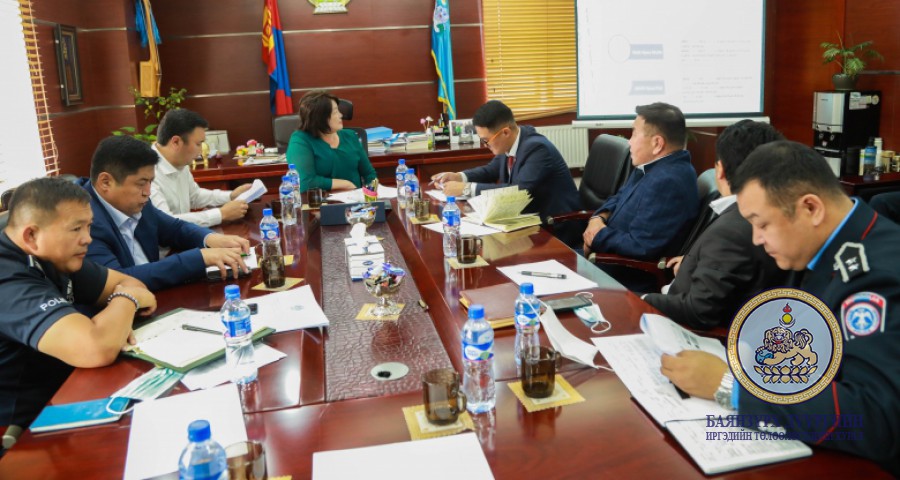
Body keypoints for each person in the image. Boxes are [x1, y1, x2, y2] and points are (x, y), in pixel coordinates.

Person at [661, 141, 900, 475]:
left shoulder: (874, 277)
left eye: (762, 224)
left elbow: (877, 420)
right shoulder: (829, 245)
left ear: (811, 208)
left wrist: (732, 388)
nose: (756, 239)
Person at [0, 177, 156, 431]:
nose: (87, 239)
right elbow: (96, 348)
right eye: (76, 229)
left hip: (70, 392)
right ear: (31, 235)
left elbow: (133, 284)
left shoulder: (55, 254)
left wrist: (119, 313)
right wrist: (126, 301)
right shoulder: (7, 279)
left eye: (88, 226)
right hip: (23, 430)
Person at [643, 120, 788, 329]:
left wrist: (642, 299)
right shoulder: (770, 214)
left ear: (720, 170)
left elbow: (698, 311)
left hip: (678, 325)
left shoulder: (732, 231)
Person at [79, 135, 251, 291]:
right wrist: (199, 258)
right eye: (141, 183)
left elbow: (174, 228)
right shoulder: (83, 222)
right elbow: (120, 281)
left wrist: (211, 239)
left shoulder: (137, 202)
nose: (148, 192)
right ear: (106, 182)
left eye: (151, 182)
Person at [430, 100, 581, 246]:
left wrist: (466, 189)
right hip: (526, 221)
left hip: (555, 228)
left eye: (486, 140)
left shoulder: (537, 149)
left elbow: (518, 191)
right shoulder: (512, 142)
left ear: (506, 132)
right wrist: (459, 176)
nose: (485, 145)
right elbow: (490, 170)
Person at [582, 103, 699, 290]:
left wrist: (597, 236)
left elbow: (641, 246)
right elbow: (619, 196)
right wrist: (598, 218)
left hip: (621, 278)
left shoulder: (668, 182)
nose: (629, 141)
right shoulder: (652, 167)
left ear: (657, 143)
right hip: (605, 261)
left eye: (634, 134)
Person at [149, 109, 252, 228]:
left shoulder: (180, 162)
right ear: (176, 142)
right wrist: (221, 214)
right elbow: (166, 222)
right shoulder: (147, 172)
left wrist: (231, 196)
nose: (201, 151)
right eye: (198, 144)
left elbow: (194, 196)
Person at [287, 90, 376, 192]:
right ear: (320, 117)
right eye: (335, 112)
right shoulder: (300, 140)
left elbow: (369, 174)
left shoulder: (350, 136)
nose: (341, 115)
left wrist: (372, 193)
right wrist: (345, 184)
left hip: (355, 199)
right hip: (319, 200)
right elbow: (305, 182)